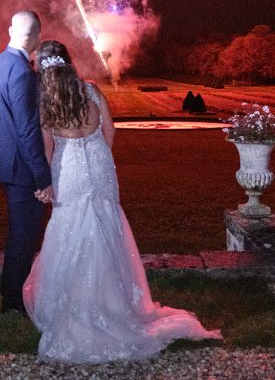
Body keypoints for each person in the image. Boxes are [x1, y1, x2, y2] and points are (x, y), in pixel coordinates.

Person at [23, 40, 221, 363]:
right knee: (105, 227)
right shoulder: (91, 90)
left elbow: (47, 150)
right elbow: (110, 130)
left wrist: (49, 181)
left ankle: (78, 304)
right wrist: (101, 158)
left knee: (71, 230)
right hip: (99, 162)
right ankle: (115, 303)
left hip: (69, 169)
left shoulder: (47, 102)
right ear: (69, 63)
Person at [0, 11, 54, 315]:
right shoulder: (22, 72)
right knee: (23, 236)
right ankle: (13, 302)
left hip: (4, 162)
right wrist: (43, 177)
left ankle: (12, 296)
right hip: (21, 169)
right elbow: (27, 131)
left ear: (11, 29)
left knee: (20, 233)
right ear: (37, 37)